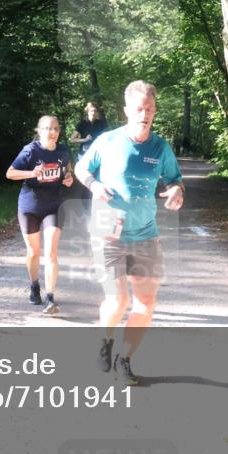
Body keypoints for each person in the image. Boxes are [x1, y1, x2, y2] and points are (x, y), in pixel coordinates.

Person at [74, 81, 184, 385]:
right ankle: (105, 339)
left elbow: (175, 179)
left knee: (146, 302)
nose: (144, 114)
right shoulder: (107, 141)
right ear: (127, 110)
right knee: (118, 300)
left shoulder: (160, 147)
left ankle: (124, 359)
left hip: (146, 234)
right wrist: (95, 185)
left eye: (149, 109)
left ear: (155, 111)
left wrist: (177, 190)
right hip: (108, 233)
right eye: (138, 109)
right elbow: (81, 169)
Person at [6, 115, 74, 314]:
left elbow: (67, 170)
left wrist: (68, 177)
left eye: (56, 128)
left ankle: (50, 298)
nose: (52, 132)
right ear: (39, 131)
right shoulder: (30, 151)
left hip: (54, 205)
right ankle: (34, 286)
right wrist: (31, 173)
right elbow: (10, 173)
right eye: (48, 128)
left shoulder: (63, 150)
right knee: (34, 252)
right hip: (30, 206)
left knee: (51, 252)